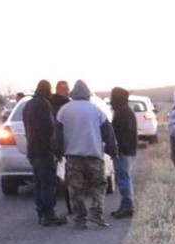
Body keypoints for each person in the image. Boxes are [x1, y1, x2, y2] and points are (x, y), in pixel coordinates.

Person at [56, 80, 117, 228]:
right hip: (94, 156)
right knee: (99, 186)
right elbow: (108, 133)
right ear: (87, 94)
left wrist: (57, 153)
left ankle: (80, 219)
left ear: (73, 95)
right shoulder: (96, 110)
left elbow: (57, 135)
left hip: (73, 158)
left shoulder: (64, 111)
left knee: (75, 189)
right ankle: (96, 214)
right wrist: (112, 151)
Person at [20, 80, 66, 226]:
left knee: (39, 183)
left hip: (32, 150)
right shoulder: (44, 104)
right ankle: (49, 215)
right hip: (44, 151)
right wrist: (55, 151)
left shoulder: (28, 105)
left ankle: (41, 212)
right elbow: (49, 130)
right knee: (48, 183)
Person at [109, 87, 137, 218]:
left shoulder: (122, 112)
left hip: (123, 152)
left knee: (123, 179)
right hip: (127, 150)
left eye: (112, 96)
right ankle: (126, 205)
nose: (111, 99)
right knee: (124, 178)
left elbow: (122, 135)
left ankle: (127, 207)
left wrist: (118, 150)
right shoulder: (125, 110)